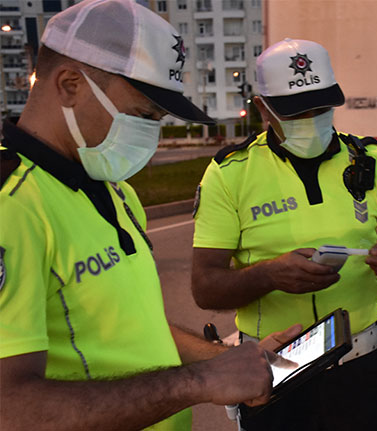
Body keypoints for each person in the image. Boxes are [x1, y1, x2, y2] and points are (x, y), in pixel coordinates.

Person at [0, 1, 297, 430]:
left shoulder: (112, 189)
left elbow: (136, 330)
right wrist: (197, 381)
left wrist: (226, 361)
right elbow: (11, 408)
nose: (150, 134)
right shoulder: (12, 206)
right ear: (69, 84)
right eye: (143, 115)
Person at [191, 38, 377, 430]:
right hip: (273, 373)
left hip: (362, 368)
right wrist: (268, 276)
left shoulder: (368, 160)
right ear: (262, 108)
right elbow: (205, 287)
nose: (312, 118)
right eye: (297, 110)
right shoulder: (230, 173)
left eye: (322, 107)